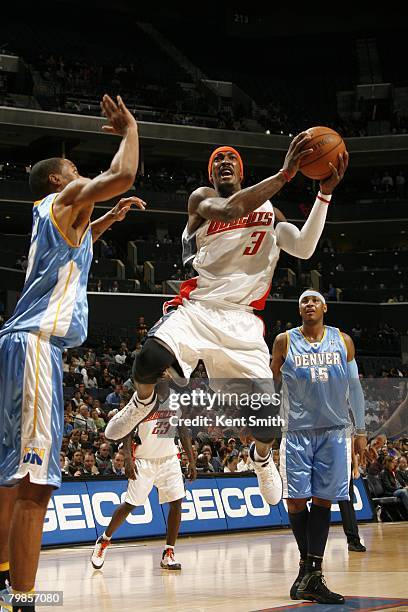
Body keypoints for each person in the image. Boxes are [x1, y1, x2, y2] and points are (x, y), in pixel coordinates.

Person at [105, 138, 348, 510]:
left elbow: (302, 247)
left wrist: (323, 195)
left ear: (242, 170)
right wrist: (285, 174)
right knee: (149, 358)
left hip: (243, 322)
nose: (223, 161)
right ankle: (142, 400)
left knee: (268, 422)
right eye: (217, 158)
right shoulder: (201, 200)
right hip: (198, 307)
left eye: (231, 157)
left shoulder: (270, 211)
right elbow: (233, 208)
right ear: (211, 172)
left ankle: (262, 456)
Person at [0, 94, 143, 610]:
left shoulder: (57, 220)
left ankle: (5, 585)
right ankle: (23, 601)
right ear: (60, 182)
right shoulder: (64, 200)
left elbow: (82, 238)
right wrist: (130, 129)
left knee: (14, 478)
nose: (82, 175)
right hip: (36, 346)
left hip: (22, 344)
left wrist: (110, 221)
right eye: (75, 171)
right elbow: (121, 175)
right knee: (36, 484)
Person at [272, 290, 367, 604]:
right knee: (296, 502)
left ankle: (310, 572)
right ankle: (309, 571)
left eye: (314, 300)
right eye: (303, 301)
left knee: (323, 500)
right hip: (297, 430)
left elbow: (354, 387)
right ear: (299, 310)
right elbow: (271, 384)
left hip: (335, 431)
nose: (309, 304)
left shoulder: (343, 341)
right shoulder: (284, 341)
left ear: (324, 307)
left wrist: (362, 429)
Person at [91, 379, 196, 571]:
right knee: (130, 504)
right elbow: (127, 430)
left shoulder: (177, 400)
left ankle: (168, 552)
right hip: (144, 460)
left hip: (169, 458)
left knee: (176, 503)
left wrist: (191, 460)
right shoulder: (143, 399)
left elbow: (183, 431)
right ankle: (104, 540)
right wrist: (128, 459)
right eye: (161, 374)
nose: (166, 377)